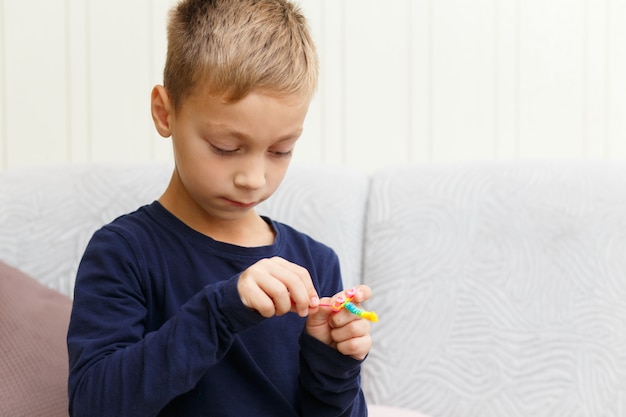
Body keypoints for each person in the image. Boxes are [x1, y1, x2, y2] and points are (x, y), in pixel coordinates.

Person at [66, 0, 372, 416]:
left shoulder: (315, 264)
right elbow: (93, 406)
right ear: (164, 112)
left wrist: (335, 365)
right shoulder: (124, 253)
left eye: (280, 151)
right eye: (226, 148)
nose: (254, 177)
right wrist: (221, 312)